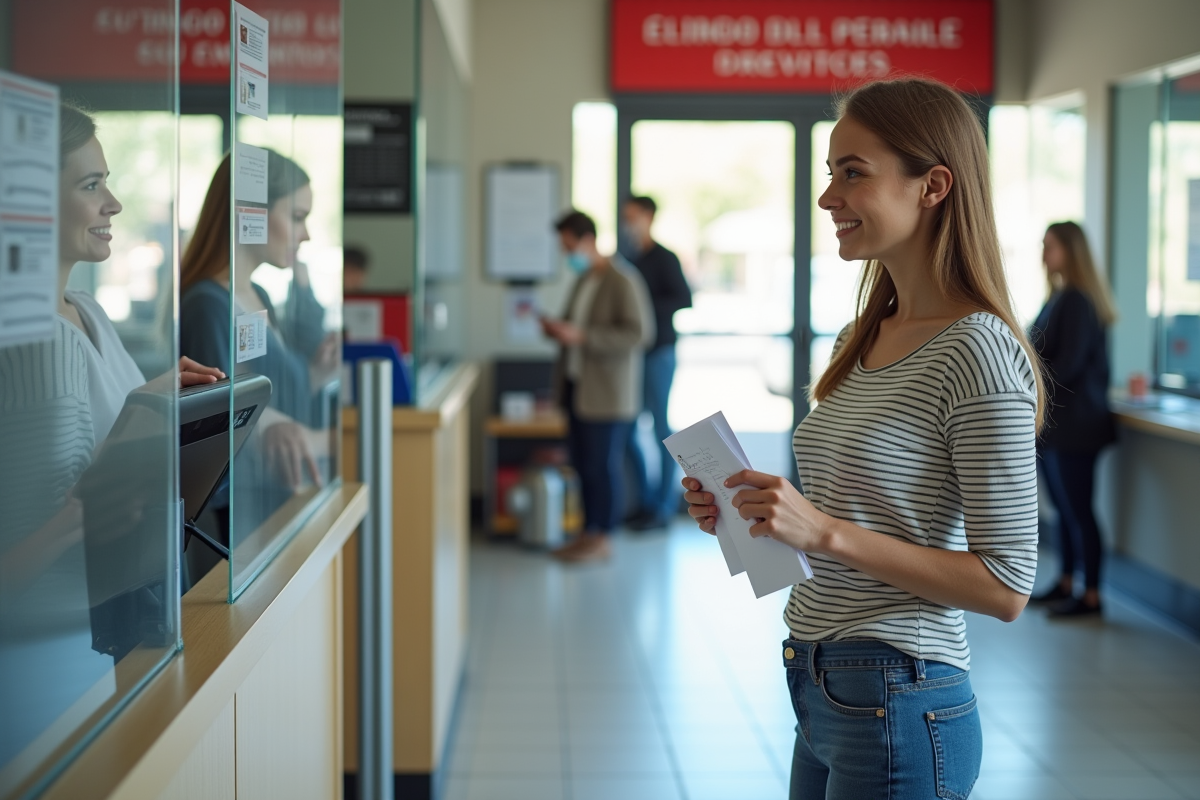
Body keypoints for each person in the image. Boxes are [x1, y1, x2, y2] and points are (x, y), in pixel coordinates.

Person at [684, 78, 1045, 800]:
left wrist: (822, 530)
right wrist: (752, 516)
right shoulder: (861, 338)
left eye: (853, 173)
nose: (828, 198)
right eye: (829, 174)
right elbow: (852, 523)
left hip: (900, 692)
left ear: (932, 186)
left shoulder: (976, 349)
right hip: (818, 679)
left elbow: (1007, 585)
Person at [180, 150, 335, 526]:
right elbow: (227, 429)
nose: (307, 234)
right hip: (248, 519)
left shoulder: (257, 296)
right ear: (248, 212)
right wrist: (326, 439)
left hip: (282, 505)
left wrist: (314, 372)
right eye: (297, 217)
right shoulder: (209, 305)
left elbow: (264, 393)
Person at [542, 210, 653, 563]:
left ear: (587, 240)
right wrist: (558, 330)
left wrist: (583, 336)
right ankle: (587, 533)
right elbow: (575, 326)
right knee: (581, 465)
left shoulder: (622, 279)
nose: (566, 254)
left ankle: (603, 537)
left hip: (608, 394)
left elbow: (639, 334)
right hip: (577, 387)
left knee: (602, 467)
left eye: (568, 246)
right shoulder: (584, 279)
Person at [1029, 221, 1117, 617]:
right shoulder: (1059, 297)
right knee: (1064, 510)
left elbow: (1068, 364)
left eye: (1051, 246)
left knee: (1079, 510)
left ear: (1071, 251)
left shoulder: (1077, 300)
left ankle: (1092, 595)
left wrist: (1032, 388)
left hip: (1078, 427)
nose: (1044, 253)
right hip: (1060, 427)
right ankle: (1066, 583)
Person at [619, 196, 692, 530]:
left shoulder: (664, 257)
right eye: (625, 217)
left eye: (633, 217)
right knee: (630, 428)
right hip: (633, 355)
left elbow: (683, 298)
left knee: (661, 429)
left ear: (648, 217)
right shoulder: (627, 259)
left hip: (659, 352)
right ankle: (644, 502)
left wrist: (644, 310)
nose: (628, 223)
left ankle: (663, 508)